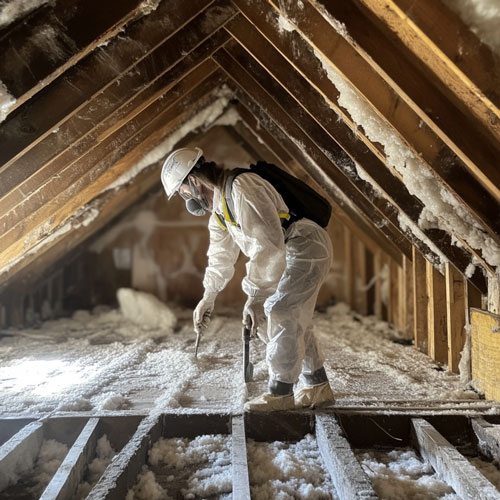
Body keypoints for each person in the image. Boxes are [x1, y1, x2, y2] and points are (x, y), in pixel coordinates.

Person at [161, 146, 334, 411]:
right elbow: (220, 256)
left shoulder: (242, 188)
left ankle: (281, 393)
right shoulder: (219, 210)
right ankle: (316, 385)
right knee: (288, 315)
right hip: (289, 250)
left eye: (182, 191)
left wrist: (255, 296)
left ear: (193, 181)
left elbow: (267, 246)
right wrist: (209, 296)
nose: (185, 198)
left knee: (280, 310)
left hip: (305, 245)